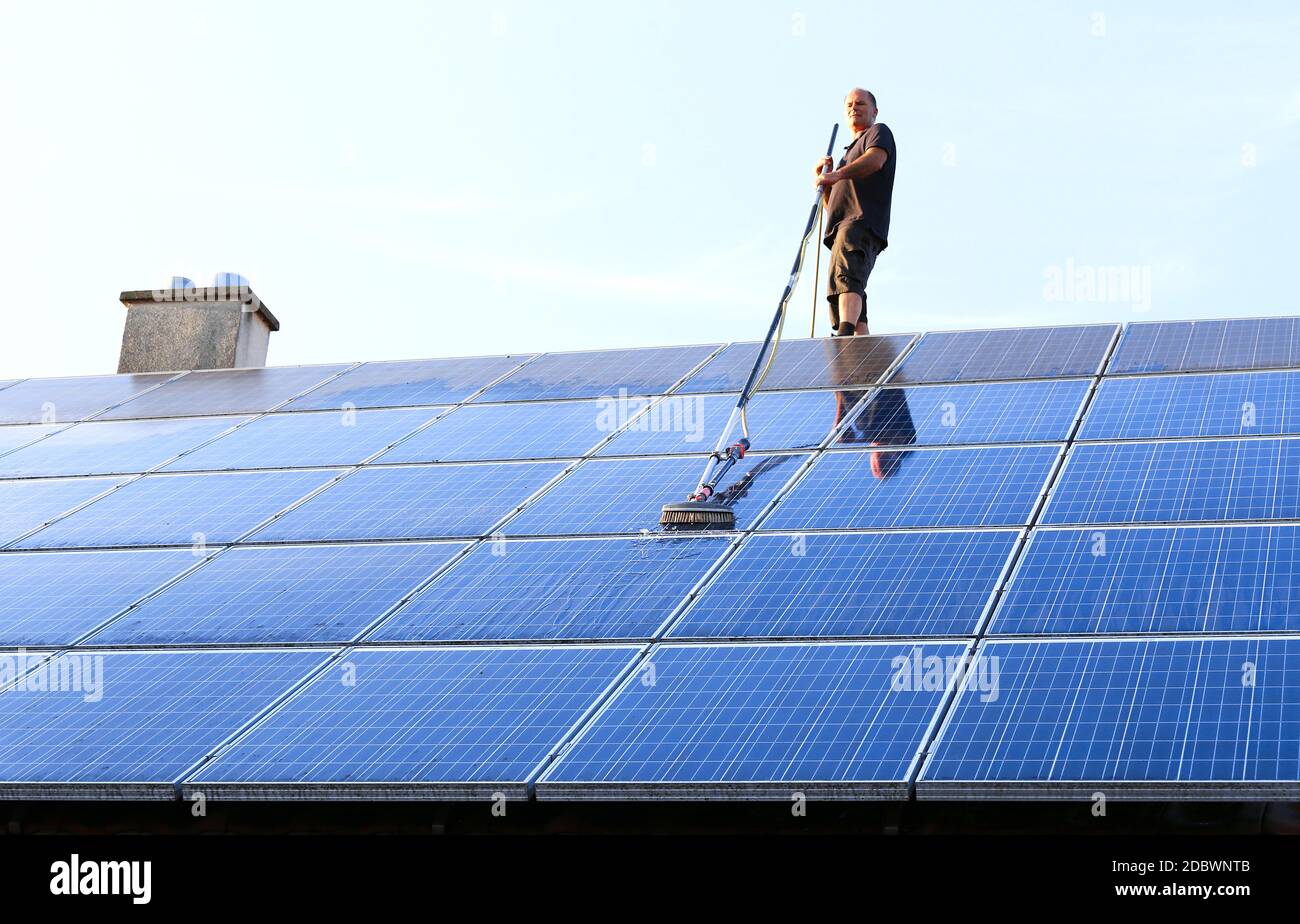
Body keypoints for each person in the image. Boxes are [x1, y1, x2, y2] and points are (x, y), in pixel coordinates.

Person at [814, 88, 897, 337]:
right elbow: (834, 207)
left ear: (874, 111)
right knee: (843, 283)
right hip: (842, 226)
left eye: (860, 103)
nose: (854, 107)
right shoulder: (844, 157)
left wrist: (838, 174)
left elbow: (875, 160)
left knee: (849, 275)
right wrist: (824, 181)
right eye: (849, 104)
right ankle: (860, 348)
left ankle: (846, 332)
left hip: (861, 222)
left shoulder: (877, 132)